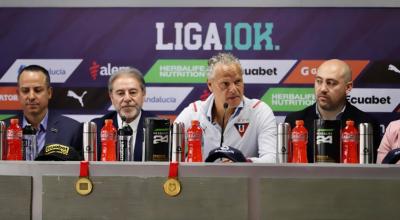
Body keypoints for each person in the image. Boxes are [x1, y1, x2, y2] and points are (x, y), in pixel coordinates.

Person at [175, 52, 277, 163]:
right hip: (202, 180)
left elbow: (272, 159)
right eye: (225, 84)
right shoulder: (193, 112)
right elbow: (171, 155)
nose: (233, 89)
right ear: (210, 85)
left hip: (244, 179)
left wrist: (241, 163)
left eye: (238, 81)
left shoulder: (259, 111)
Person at [285, 59, 381, 163]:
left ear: (348, 87)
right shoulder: (294, 120)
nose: (323, 89)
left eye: (331, 83)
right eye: (319, 81)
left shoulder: (365, 124)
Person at [14, 64, 83, 157]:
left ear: (49, 93)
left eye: (38, 90)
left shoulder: (72, 130)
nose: (31, 97)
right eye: (25, 90)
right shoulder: (4, 130)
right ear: (18, 94)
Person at [91, 67, 153, 161]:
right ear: (111, 97)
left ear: (143, 94)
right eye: (120, 93)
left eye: (133, 92)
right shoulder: (97, 128)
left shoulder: (158, 128)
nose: (127, 98)